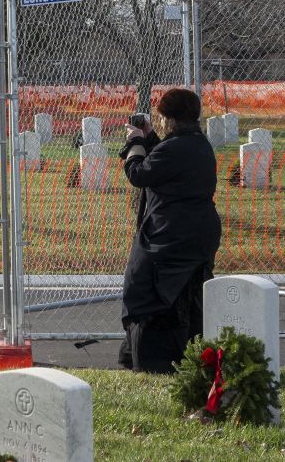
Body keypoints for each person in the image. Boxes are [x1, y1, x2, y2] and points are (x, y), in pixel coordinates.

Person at [117, 88, 221, 373]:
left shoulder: (175, 148)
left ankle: (149, 356)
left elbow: (138, 174)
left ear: (169, 119)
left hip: (169, 233)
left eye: (161, 118)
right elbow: (164, 165)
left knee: (144, 286)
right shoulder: (198, 144)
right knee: (186, 292)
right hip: (197, 232)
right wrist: (150, 138)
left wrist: (135, 144)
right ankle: (184, 352)